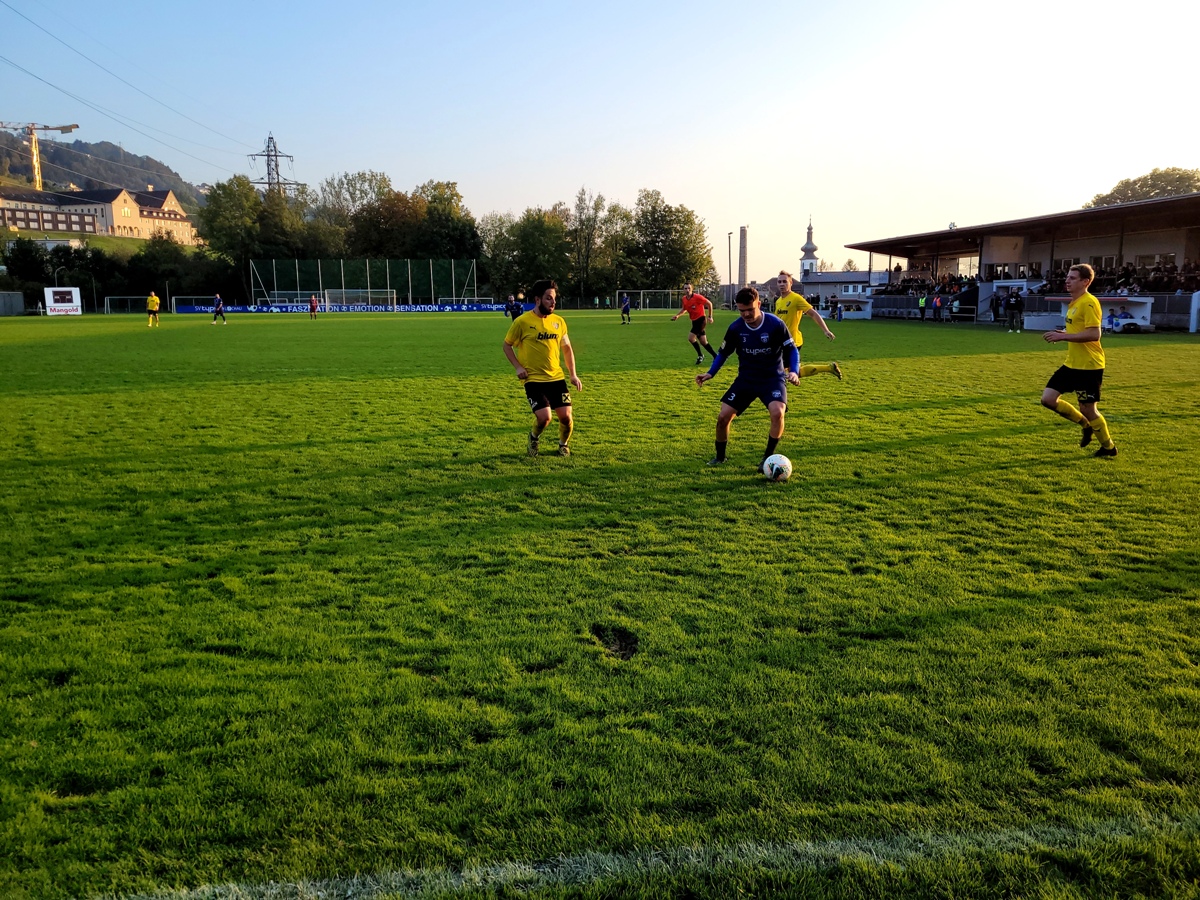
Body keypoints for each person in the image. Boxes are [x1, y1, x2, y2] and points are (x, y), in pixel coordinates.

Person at [696, 285, 801, 471]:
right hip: (746, 380)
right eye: (741, 310)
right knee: (723, 417)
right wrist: (711, 373)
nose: (746, 314)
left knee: (778, 413)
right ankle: (720, 458)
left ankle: (767, 459)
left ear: (759, 304)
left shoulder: (775, 324)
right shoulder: (735, 328)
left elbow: (791, 349)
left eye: (750, 309)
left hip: (772, 379)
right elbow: (723, 353)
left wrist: (794, 370)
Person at [1040, 263, 1117, 457]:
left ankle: (1108, 448)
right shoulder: (1075, 302)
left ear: (1085, 282)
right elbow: (1080, 329)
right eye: (1067, 277)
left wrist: (1064, 337)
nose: (1067, 280)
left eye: (1072, 278)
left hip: (1088, 366)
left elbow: (1094, 334)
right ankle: (1085, 425)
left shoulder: (1089, 302)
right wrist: (1064, 332)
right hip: (1072, 364)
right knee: (1048, 399)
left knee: (1088, 408)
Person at [502, 279, 583, 457]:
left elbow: (567, 348)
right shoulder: (522, 322)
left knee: (566, 417)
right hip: (533, 379)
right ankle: (533, 438)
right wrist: (518, 367)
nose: (553, 302)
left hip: (556, 378)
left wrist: (573, 374)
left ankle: (563, 444)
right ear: (537, 299)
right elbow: (507, 345)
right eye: (548, 298)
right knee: (544, 418)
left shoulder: (559, 322)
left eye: (554, 298)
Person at [671, 283, 717, 365]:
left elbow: (709, 304)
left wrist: (710, 316)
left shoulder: (697, 297)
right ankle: (716, 357)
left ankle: (700, 355)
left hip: (701, 320)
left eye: (689, 288)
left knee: (691, 338)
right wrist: (677, 316)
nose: (687, 290)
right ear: (683, 290)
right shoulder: (684, 299)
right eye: (685, 288)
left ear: (692, 289)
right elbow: (684, 309)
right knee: (703, 342)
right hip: (694, 321)